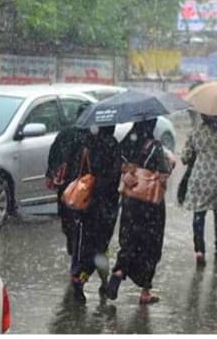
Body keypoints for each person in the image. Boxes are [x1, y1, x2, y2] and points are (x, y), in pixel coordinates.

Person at [105, 119, 174, 305]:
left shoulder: (127, 142)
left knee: (129, 240)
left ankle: (119, 271)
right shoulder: (155, 146)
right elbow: (163, 174)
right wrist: (169, 164)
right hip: (150, 204)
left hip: (130, 200)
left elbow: (119, 165)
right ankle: (145, 291)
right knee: (151, 244)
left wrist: (131, 169)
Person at [68, 125, 121, 304]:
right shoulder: (112, 145)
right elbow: (115, 176)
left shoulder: (86, 143)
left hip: (86, 203)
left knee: (85, 244)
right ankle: (94, 280)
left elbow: (76, 171)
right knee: (101, 246)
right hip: (106, 205)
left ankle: (80, 276)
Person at [181, 113, 217, 266]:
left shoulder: (195, 131)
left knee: (199, 213)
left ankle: (199, 250)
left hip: (199, 176)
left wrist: (195, 153)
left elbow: (185, 158)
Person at [46, 109, 89, 278]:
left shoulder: (65, 133)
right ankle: (77, 260)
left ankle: (74, 252)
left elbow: (53, 156)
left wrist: (50, 174)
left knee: (68, 223)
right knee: (79, 226)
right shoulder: (90, 138)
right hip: (83, 190)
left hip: (66, 190)